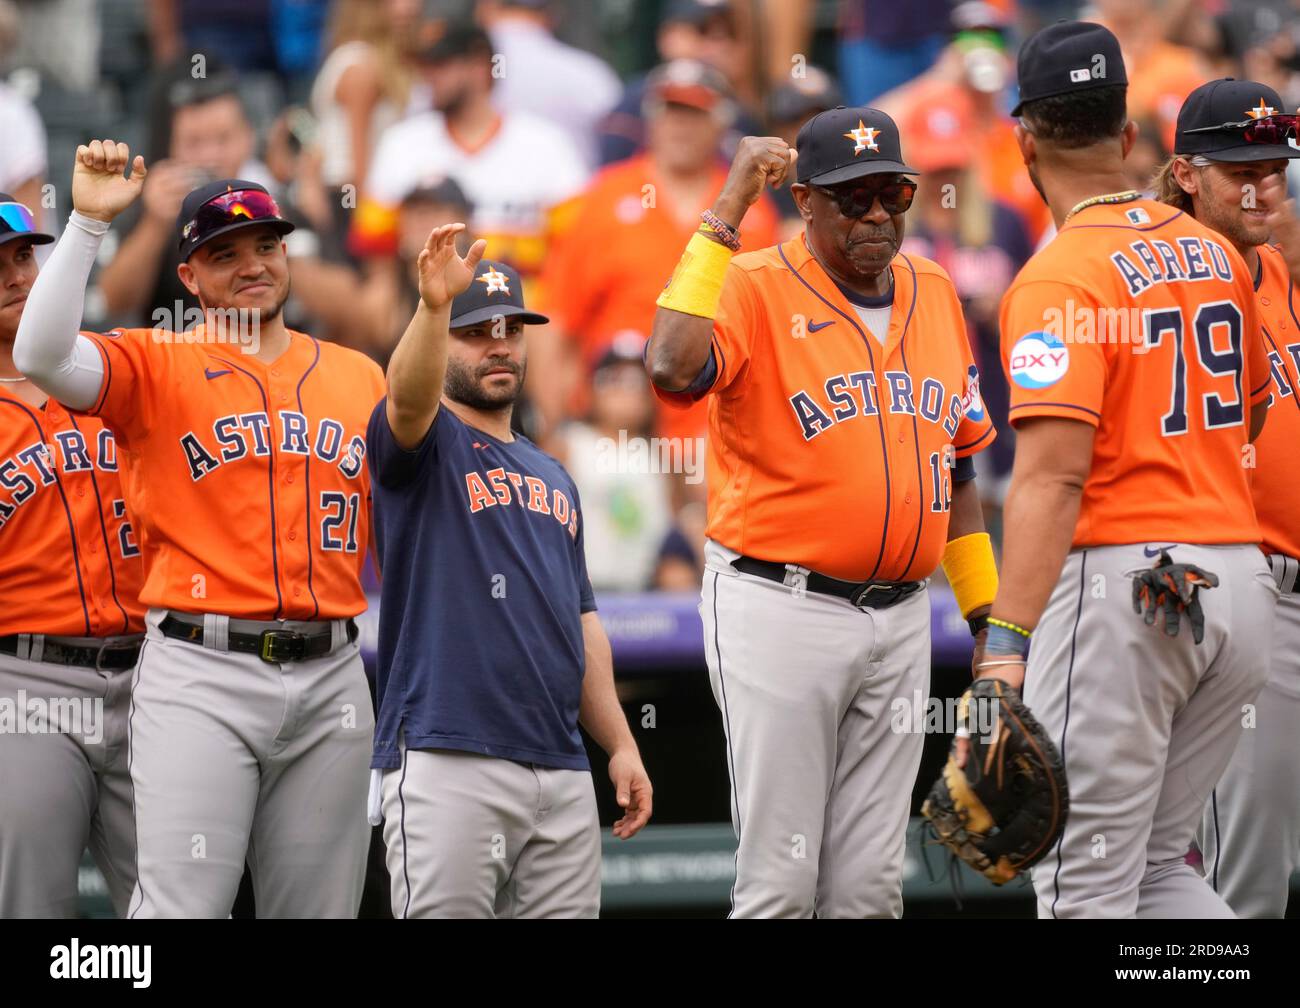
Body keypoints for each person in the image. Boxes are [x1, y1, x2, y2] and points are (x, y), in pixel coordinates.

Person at [14, 140, 386, 918]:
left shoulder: (359, 374)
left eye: (264, 244)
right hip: (198, 664)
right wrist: (85, 223)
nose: (251, 263)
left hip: (333, 671)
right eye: (223, 253)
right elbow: (43, 354)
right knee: (179, 909)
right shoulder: (159, 362)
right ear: (189, 277)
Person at [646, 107, 999, 918]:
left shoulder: (935, 289)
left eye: (893, 193)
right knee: (781, 883)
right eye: (854, 198)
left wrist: (987, 621)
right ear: (804, 200)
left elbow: (960, 465)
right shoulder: (752, 284)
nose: (878, 215)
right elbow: (670, 366)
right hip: (781, 604)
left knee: (871, 889)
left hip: (906, 617)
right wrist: (728, 205)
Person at [978, 22, 1276, 919]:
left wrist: (1004, 649)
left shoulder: (1058, 275)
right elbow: (1253, 411)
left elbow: (1050, 479)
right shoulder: (1218, 254)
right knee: (1156, 870)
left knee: (1083, 885)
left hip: (1128, 591)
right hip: (1239, 583)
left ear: (1024, 139)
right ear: (1128, 136)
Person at [366, 238, 652, 918]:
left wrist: (619, 742)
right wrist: (433, 308)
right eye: (475, 333)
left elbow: (580, 623)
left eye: (510, 330)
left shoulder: (554, 473)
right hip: (447, 749)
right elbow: (405, 399)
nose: (498, 347)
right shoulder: (425, 441)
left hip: (560, 762)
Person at [1153, 77, 1300, 919]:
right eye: (1239, 167)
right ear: (1184, 173)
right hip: (1243, 593)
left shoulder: (1270, 269)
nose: (1261, 185)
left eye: (1273, 166)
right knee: (1236, 888)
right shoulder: (1167, 277)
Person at [0, 197, 144, 918]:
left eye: (23, 255)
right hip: (23, 681)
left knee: (177, 902)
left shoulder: (108, 373)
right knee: (33, 907)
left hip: (155, 671)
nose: (13, 276)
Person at [542, 59, 779, 443]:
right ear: (650, 119)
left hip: (716, 432)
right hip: (614, 435)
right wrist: (552, 427)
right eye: (670, 111)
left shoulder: (751, 205)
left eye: (695, 113)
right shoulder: (605, 195)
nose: (680, 126)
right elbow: (558, 319)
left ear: (722, 124)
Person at [351, 21, 587, 282]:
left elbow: (577, 255)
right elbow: (377, 263)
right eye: (423, 65)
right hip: (427, 308)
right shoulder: (401, 143)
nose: (428, 76)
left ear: (479, 68)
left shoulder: (547, 145)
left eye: (440, 64)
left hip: (522, 312)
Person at [96, 73, 273, 326]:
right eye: (194, 142)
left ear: (248, 139)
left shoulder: (275, 199)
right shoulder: (155, 206)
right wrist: (154, 225)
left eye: (223, 139)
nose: (210, 156)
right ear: (172, 147)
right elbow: (113, 301)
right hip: (176, 354)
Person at [479, 0, 622, 169]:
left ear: (487, 5)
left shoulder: (462, 70)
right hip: (574, 191)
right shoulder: (588, 73)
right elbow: (620, 148)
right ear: (554, 13)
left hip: (468, 191)